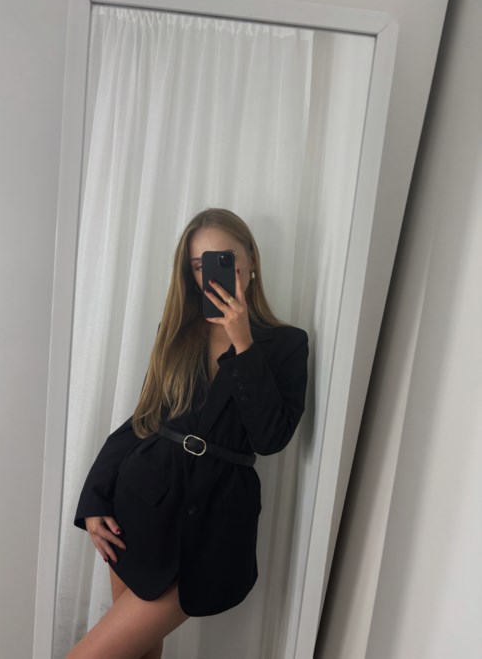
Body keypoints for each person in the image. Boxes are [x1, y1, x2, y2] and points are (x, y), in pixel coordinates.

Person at [68, 208, 309, 659]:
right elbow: (143, 419)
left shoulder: (287, 344)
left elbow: (271, 438)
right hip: (139, 508)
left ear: (250, 261)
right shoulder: (178, 333)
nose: (211, 273)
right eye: (200, 265)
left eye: (223, 259)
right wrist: (95, 496)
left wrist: (243, 342)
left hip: (208, 530)